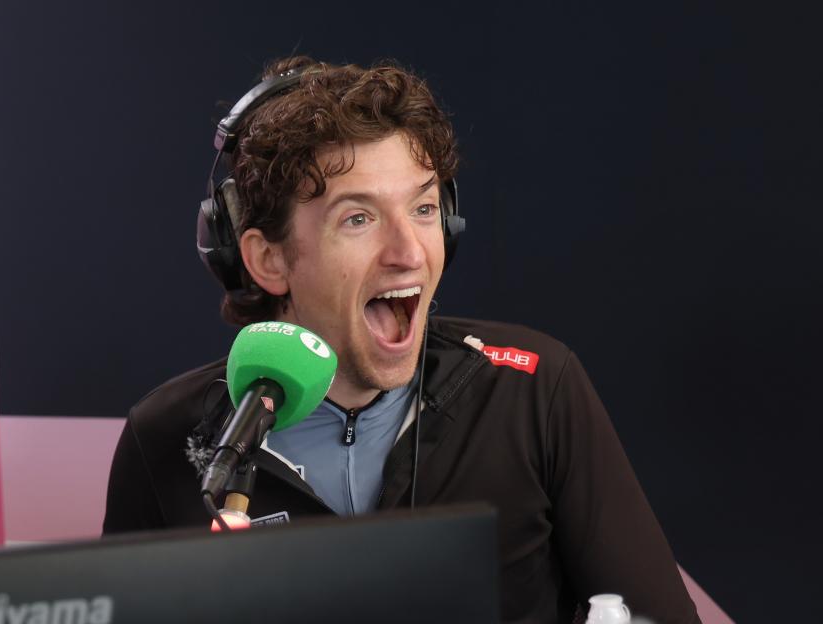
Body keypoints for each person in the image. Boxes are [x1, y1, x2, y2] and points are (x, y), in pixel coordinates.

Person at [103, 56, 701, 623]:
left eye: (423, 208)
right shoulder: (169, 439)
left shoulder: (533, 388)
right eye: (357, 219)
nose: (410, 252)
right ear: (267, 258)